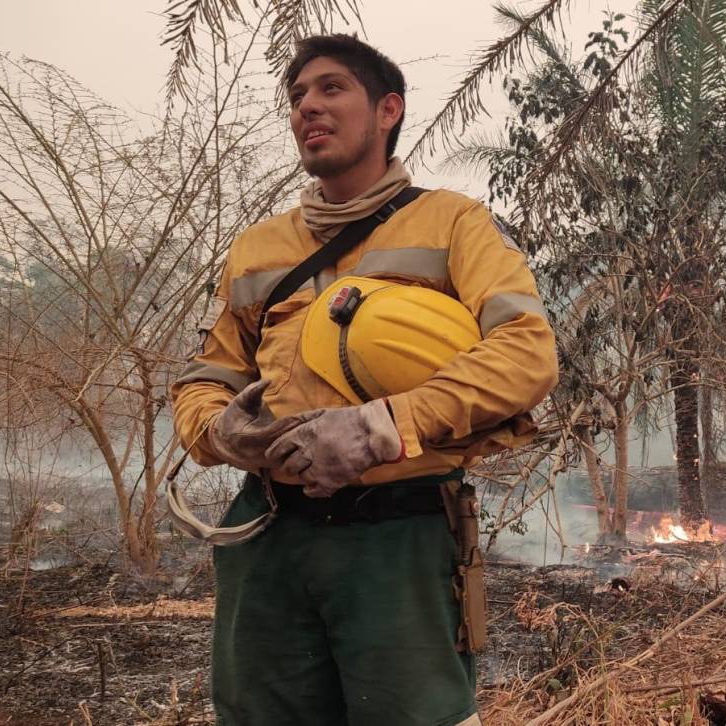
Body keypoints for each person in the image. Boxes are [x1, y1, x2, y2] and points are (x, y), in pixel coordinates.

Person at [170, 33, 558, 726]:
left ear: (387, 110)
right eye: (295, 97)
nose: (307, 108)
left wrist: (382, 426)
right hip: (267, 536)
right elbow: (205, 380)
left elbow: (527, 352)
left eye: (330, 88)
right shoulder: (257, 249)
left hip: (398, 535)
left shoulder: (454, 223)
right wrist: (225, 433)